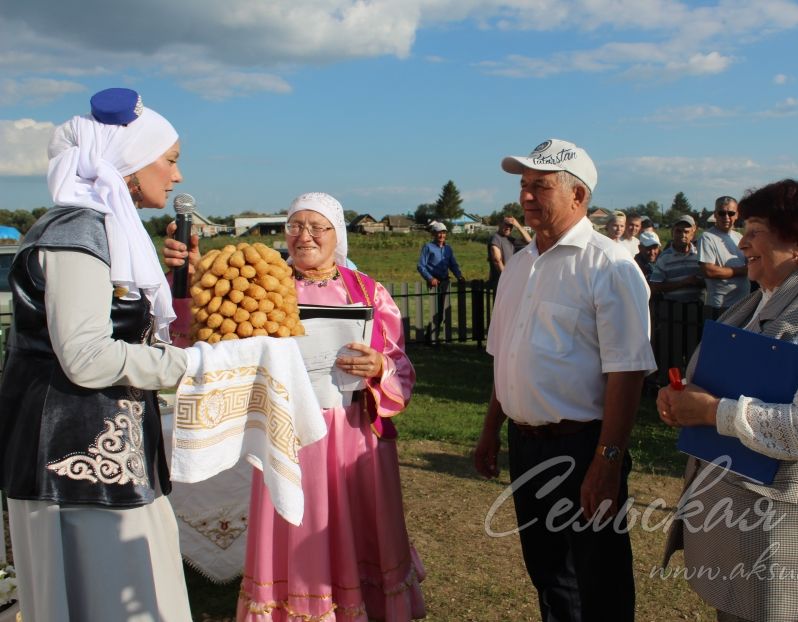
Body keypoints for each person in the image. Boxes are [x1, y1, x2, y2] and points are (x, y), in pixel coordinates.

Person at [166, 192, 426, 620]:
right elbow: (198, 331)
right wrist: (185, 281)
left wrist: (379, 364)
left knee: (354, 524)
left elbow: (400, 364)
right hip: (285, 432)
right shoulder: (259, 283)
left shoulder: (367, 291)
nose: (304, 236)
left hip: (352, 431)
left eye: (316, 226)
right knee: (295, 522)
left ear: (336, 234)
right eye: (294, 226)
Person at [0, 87, 195, 620]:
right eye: (171, 160)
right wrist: (191, 367)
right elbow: (85, 356)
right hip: (70, 457)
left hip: (103, 448)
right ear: (129, 161)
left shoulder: (102, 228)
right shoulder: (77, 231)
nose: (177, 176)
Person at [658, 179, 798, 622]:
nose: (742, 243)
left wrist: (710, 412)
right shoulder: (762, 299)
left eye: (755, 230)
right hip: (755, 526)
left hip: (791, 535)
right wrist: (683, 399)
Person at [474, 138, 656, 621]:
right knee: (549, 571)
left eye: (542, 186)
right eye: (524, 185)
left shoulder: (610, 265)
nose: (527, 196)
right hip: (527, 443)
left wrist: (608, 462)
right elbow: (505, 356)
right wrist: (492, 430)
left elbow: (627, 370)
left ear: (579, 196)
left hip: (582, 447)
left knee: (599, 578)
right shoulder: (519, 264)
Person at [698, 195, 749, 317]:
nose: (726, 217)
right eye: (722, 213)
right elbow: (709, 271)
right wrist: (743, 270)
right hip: (719, 307)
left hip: (742, 304)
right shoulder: (707, 237)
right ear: (715, 214)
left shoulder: (739, 237)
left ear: (737, 215)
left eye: (731, 213)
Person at [417, 221, 464, 343]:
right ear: (433, 234)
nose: (441, 235)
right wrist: (430, 278)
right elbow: (421, 266)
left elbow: (452, 264)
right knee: (435, 310)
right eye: (439, 233)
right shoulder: (428, 247)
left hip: (445, 282)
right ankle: (431, 338)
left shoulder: (448, 249)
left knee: (442, 311)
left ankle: (433, 336)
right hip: (434, 282)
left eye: (443, 233)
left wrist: (459, 275)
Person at [648, 215, 703, 304]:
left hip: (696, 307)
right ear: (672, 233)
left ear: (692, 234)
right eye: (678, 231)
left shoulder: (699, 255)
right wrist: (683, 283)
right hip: (672, 308)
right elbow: (655, 286)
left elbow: (707, 283)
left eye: (686, 231)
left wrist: (698, 282)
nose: (682, 235)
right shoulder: (664, 258)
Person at [487, 215, 531, 293]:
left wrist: (517, 225)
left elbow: (529, 241)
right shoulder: (496, 238)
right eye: (506, 224)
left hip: (510, 281)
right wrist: (507, 278)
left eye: (510, 225)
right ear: (499, 224)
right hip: (501, 281)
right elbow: (497, 260)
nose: (508, 227)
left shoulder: (511, 240)